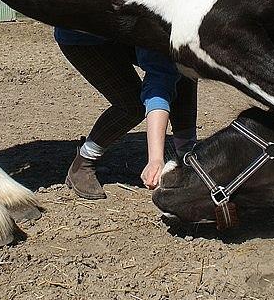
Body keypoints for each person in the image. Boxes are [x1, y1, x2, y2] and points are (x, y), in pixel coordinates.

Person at [55, 27, 197, 199]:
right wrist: (155, 159)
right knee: (132, 105)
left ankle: (187, 154)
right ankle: (83, 162)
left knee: (184, 67)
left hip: (124, 32)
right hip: (84, 37)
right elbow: (159, 79)